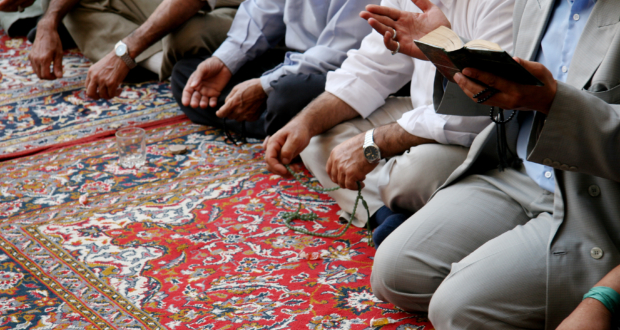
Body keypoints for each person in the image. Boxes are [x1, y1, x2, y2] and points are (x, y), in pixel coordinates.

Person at [369, 0, 620, 328]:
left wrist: (553, 101)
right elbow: (509, 101)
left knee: (456, 308)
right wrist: (450, 59)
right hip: (519, 169)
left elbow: (545, 98)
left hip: (592, 198)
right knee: (394, 274)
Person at [264, 0, 513, 246]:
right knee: (317, 141)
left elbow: (481, 110)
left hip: (491, 131)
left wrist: (374, 143)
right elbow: (370, 69)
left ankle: (410, 208)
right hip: (422, 110)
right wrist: (304, 123)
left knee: (411, 176)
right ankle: (387, 215)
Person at [170, 0, 380, 140]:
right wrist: (225, 61)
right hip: (297, 60)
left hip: (347, 69)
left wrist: (265, 86)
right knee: (187, 75)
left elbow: (336, 54)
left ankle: (283, 124)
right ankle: (287, 128)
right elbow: (264, 11)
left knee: (285, 95)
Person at [28, 0, 239, 100]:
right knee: (59, 4)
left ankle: (155, 60)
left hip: (248, 13)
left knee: (185, 34)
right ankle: (157, 60)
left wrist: (124, 53)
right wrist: (48, 23)